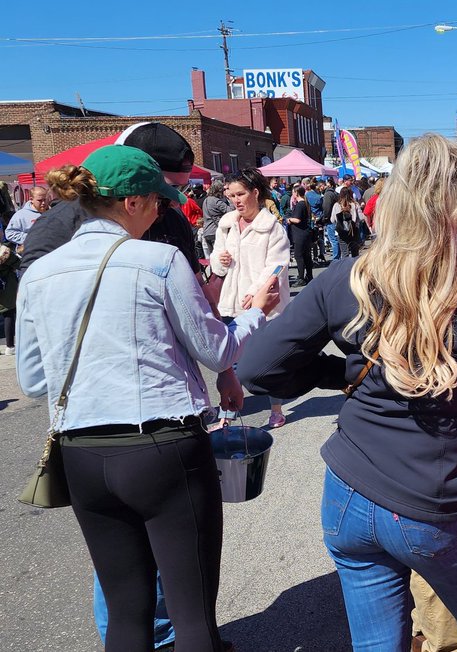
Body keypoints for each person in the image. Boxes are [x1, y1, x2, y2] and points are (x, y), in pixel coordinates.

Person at [236, 134, 457, 652]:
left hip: (350, 494)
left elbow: (258, 369)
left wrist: (338, 373)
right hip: (436, 505)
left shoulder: (344, 279)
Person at [18, 145, 280, 652]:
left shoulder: (40, 273)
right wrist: (256, 313)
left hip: (82, 454)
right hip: (162, 447)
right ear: (132, 202)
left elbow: (33, 380)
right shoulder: (159, 262)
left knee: (126, 614)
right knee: (193, 616)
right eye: (158, 201)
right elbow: (215, 347)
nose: (164, 209)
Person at [210, 167, 291, 429]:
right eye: (231, 195)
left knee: (266, 360)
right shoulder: (226, 224)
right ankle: (227, 415)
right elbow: (216, 261)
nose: (236, 200)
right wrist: (219, 261)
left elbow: (277, 266)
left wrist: (256, 291)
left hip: (263, 304)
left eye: (241, 194)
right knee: (229, 363)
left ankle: (276, 409)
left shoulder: (272, 229)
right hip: (230, 302)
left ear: (255, 193)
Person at [287, 185, 314, 286]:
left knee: (299, 256)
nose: (293, 194)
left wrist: (289, 219)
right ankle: (309, 275)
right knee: (307, 255)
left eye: (293, 192)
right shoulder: (306, 204)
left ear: (296, 193)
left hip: (299, 234)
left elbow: (297, 220)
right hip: (306, 233)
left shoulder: (299, 205)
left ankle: (301, 278)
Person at [201, 180, 230, 260]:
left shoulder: (206, 200)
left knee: (213, 259)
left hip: (207, 232)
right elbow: (230, 210)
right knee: (220, 259)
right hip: (215, 232)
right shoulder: (216, 201)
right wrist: (229, 198)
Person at [330, 188, 363, 258]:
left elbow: (332, 220)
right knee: (355, 253)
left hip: (341, 231)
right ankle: (354, 267)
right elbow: (361, 218)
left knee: (344, 253)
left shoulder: (336, 205)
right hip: (353, 231)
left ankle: (346, 267)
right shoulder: (355, 204)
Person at [0, 241, 17, 355]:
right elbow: (19, 263)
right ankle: (10, 346)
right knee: (8, 313)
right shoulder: (3, 250)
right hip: (5, 285)